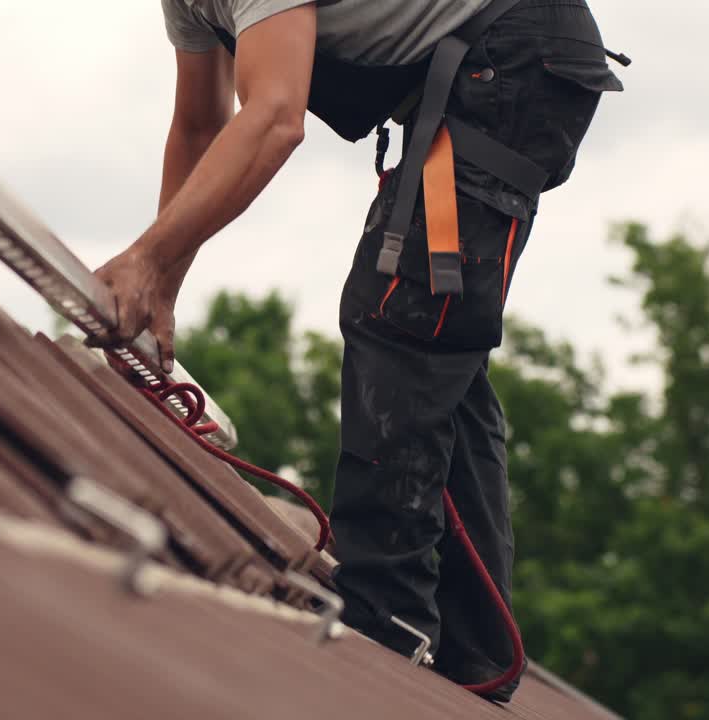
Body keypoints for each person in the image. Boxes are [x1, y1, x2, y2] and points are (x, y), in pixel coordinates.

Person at [93, 0, 624, 703]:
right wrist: (161, 283)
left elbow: (276, 116)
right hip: (494, 66)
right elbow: (198, 127)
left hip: (513, 55)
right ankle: (477, 647)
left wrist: (146, 258)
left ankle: (387, 616)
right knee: (432, 340)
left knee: (398, 319)